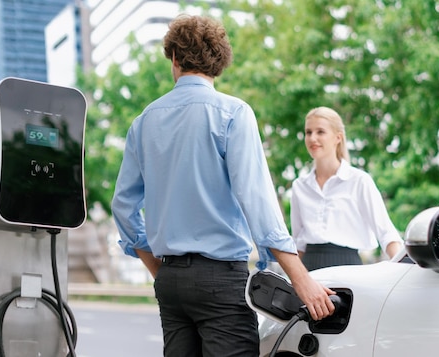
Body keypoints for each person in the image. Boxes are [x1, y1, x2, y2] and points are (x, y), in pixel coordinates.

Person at [111, 14, 335, 357]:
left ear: (174, 58)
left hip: (170, 282)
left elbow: (124, 208)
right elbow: (257, 201)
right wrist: (301, 279)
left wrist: (159, 269)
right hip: (219, 280)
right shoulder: (232, 113)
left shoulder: (143, 122)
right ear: (219, 62)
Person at [290, 106, 404, 271]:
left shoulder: (359, 181)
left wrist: (402, 271)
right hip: (309, 271)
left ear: (338, 138)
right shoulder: (299, 186)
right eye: (308, 132)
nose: (312, 138)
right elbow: (298, 242)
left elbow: (386, 233)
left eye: (320, 132)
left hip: (348, 270)